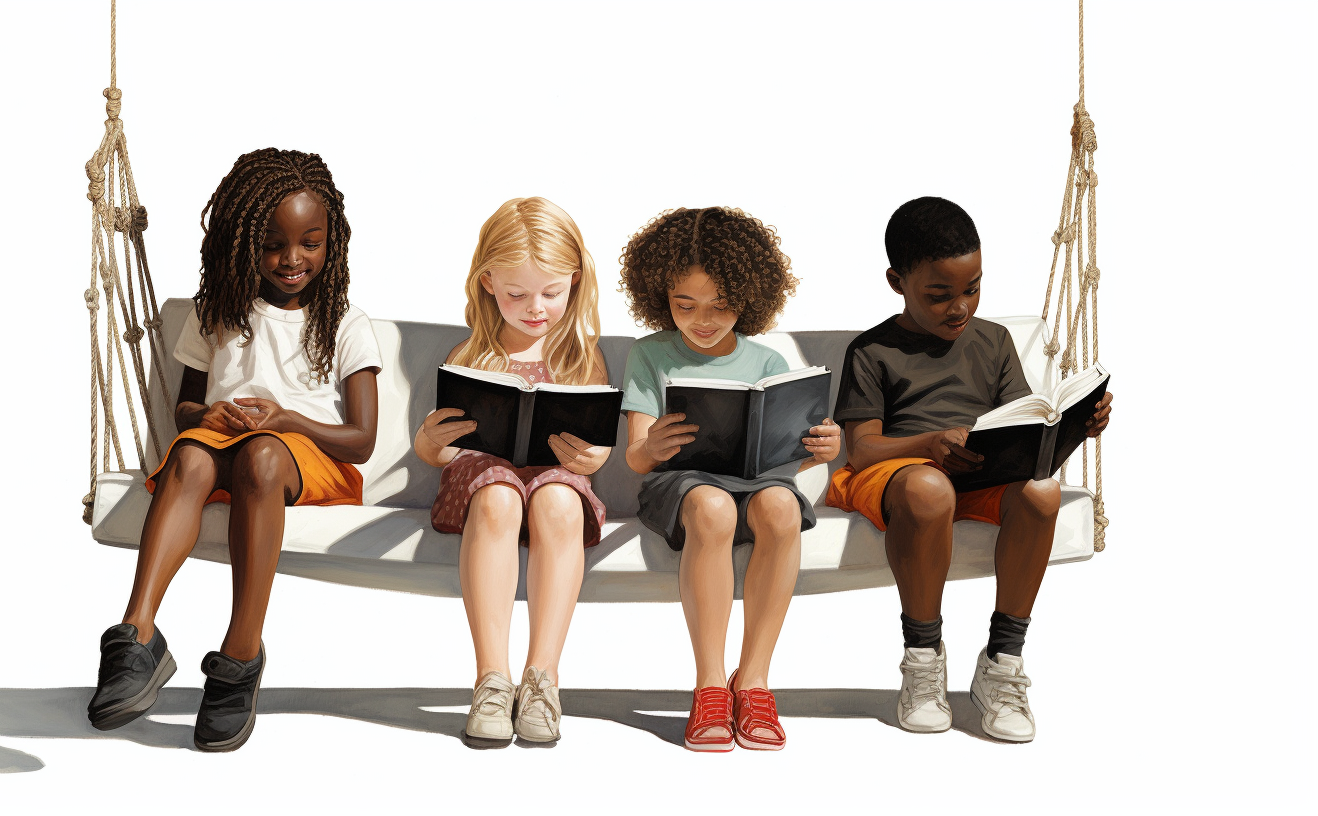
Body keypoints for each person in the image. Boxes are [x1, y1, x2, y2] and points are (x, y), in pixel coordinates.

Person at [87, 148, 381, 752]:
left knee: (263, 455)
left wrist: (288, 420)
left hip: (305, 464)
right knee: (192, 453)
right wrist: (208, 414)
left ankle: (241, 654)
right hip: (224, 445)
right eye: (273, 244)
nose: (292, 259)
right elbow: (186, 409)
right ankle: (136, 636)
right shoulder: (218, 311)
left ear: (333, 243)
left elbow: (362, 441)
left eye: (310, 243)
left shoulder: (345, 323)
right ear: (241, 240)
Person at [828, 196, 1113, 742]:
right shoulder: (873, 350)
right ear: (897, 282)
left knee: (1040, 491)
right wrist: (931, 443)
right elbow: (861, 450)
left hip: (978, 471)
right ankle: (923, 658)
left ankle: (1003, 663)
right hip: (899, 474)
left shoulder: (994, 341)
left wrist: (1078, 426)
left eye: (972, 287)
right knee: (931, 488)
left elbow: (1029, 433)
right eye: (939, 295)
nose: (960, 306)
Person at [619, 207, 841, 752]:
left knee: (783, 509)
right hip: (683, 486)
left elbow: (785, 459)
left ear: (749, 296)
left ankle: (755, 680)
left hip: (756, 481)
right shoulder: (649, 354)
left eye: (722, 306)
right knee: (715, 507)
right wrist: (653, 446)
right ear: (659, 297)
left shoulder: (766, 359)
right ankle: (711, 684)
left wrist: (819, 451)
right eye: (684, 305)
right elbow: (636, 459)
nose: (703, 320)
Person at [415, 197, 610, 746]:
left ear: (575, 281)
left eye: (552, 292)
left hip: (555, 482)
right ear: (486, 284)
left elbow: (598, 445)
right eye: (516, 294)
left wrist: (596, 459)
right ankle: (491, 680)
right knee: (499, 493)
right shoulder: (470, 352)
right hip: (484, 484)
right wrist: (429, 441)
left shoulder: (582, 357)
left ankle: (542, 678)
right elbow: (437, 451)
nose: (535, 309)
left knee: (558, 499)